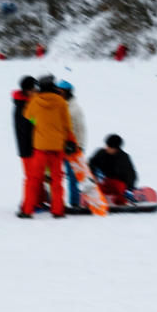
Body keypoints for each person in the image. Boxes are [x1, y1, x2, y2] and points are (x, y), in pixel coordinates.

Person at [19, 74, 75, 218]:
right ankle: (57, 211)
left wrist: (39, 122)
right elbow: (67, 125)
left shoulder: (35, 101)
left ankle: (27, 210)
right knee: (57, 180)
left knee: (34, 180)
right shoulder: (61, 102)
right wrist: (70, 141)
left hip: (40, 147)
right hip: (57, 148)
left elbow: (28, 117)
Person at [59, 79, 87, 209]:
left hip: (73, 147)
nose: (58, 93)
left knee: (73, 176)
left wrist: (80, 146)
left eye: (61, 91)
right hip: (62, 146)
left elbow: (81, 129)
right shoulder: (62, 105)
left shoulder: (74, 108)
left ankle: (75, 202)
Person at [88, 134, 137, 205]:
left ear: (116, 148)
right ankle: (96, 200)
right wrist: (94, 174)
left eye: (109, 146)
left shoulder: (124, 158)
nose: (106, 148)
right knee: (96, 188)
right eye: (106, 145)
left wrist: (129, 189)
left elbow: (131, 175)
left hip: (119, 183)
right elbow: (91, 164)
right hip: (104, 181)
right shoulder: (101, 153)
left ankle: (121, 202)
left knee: (121, 192)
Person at [11, 75, 38, 204]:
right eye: (34, 89)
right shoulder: (22, 106)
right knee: (31, 177)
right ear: (28, 90)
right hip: (27, 147)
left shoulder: (26, 103)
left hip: (30, 146)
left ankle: (35, 200)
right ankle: (28, 203)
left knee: (35, 177)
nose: (37, 92)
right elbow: (29, 126)